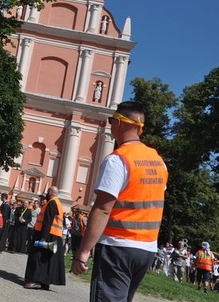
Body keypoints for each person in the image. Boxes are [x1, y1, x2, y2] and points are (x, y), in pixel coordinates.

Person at [71, 101, 168, 302]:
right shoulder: (158, 161)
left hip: (117, 246)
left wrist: (83, 251)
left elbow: (103, 209)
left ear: (119, 123)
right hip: (146, 248)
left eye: (111, 120)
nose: (110, 125)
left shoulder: (118, 159)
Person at [24, 187, 65, 290]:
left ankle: (35, 280)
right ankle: (44, 283)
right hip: (54, 234)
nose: (46, 194)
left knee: (38, 257)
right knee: (46, 260)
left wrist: (43, 237)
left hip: (48, 234)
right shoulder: (57, 203)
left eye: (47, 192)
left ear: (51, 193)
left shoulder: (52, 203)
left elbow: (48, 220)